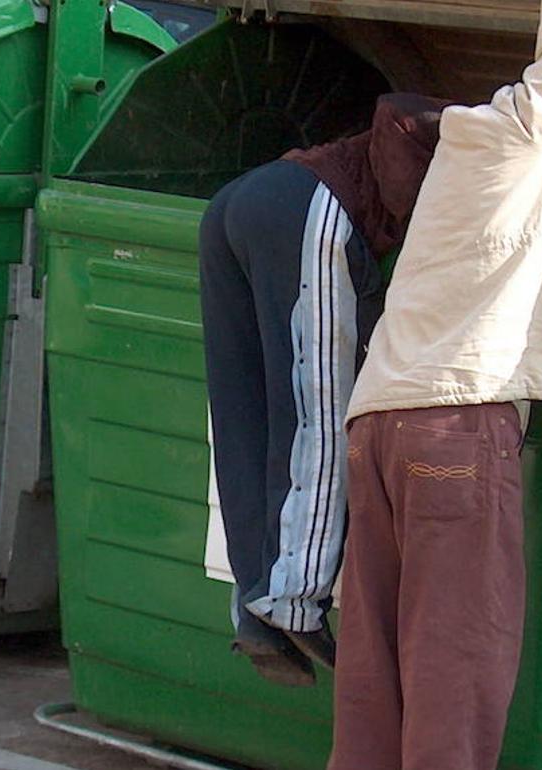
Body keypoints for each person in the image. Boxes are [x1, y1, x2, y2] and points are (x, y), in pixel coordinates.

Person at [327, 2, 542, 769]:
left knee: (372, 672)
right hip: (455, 427)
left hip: (376, 423)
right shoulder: (531, 139)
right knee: (456, 663)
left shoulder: (455, 154)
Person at [199, 92, 449, 687]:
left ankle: (256, 613)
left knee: (244, 424)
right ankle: (292, 603)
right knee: (320, 415)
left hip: (241, 204)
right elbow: (395, 110)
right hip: (309, 210)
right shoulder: (482, 125)